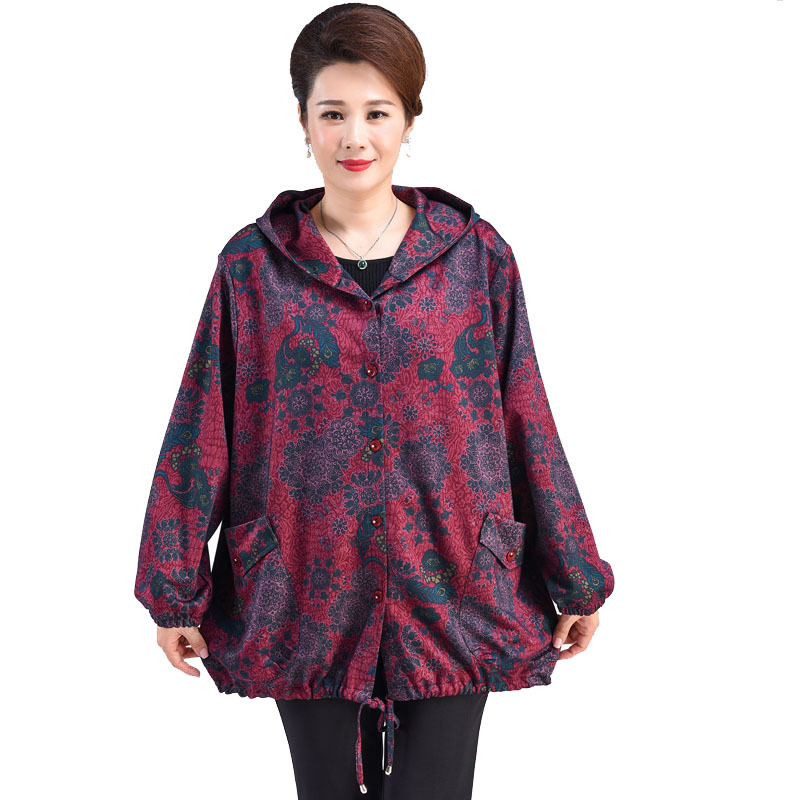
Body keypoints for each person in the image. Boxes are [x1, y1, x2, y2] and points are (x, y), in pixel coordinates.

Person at [134, 4, 615, 799]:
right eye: (333, 113)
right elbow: (201, 424)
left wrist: (575, 571)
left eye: (377, 112)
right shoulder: (252, 268)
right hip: (302, 589)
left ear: (409, 121)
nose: (354, 136)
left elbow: (524, 413)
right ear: (304, 122)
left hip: (456, 584)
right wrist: (173, 585)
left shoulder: (476, 258)